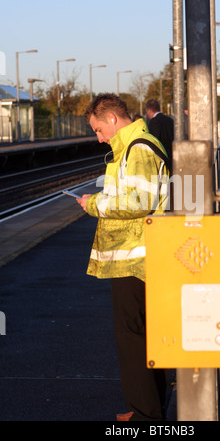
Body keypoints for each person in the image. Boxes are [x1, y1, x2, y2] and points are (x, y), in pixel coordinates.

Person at [76, 93, 170, 421]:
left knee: (132, 337)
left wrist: (94, 204)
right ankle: (147, 409)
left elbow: (139, 201)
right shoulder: (133, 148)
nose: (98, 137)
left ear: (113, 120)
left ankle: (145, 416)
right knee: (142, 335)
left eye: (99, 129)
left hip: (138, 258)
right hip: (135, 256)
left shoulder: (138, 149)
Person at [145, 99, 174, 170]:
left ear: (149, 110)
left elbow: (154, 141)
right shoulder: (169, 120)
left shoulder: (154, 122)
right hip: (172, 156)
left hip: (162, 159)